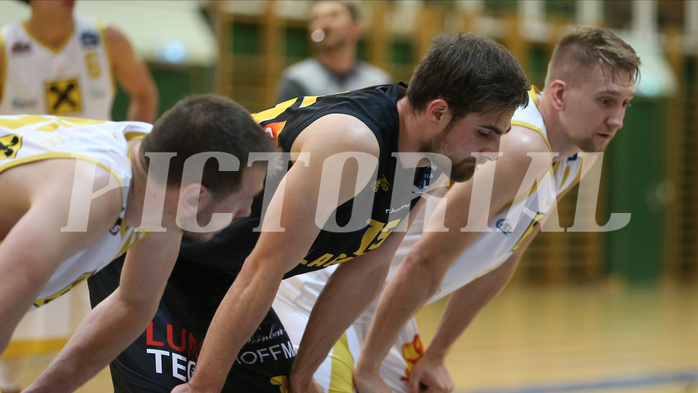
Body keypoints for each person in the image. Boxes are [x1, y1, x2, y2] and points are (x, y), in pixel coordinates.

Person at [74, 32, 529, 393]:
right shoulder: (351, 142)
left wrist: (300, 372)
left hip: (222, 279)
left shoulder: (431, 158)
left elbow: (364, 272)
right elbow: (263, 268)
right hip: (160, 256)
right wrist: (202, 386)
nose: (493, 151)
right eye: (487, 132)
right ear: (438, 111)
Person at [335, 26, 638, 393]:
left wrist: (437, 353)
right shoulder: (522, 147)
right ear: (559, 93)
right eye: (606, 101)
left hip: (389, 306)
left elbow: (507, 255)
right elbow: (422, 260)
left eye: (625, 103)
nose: (617, 119)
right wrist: (369, 368)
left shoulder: (578, 152)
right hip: (347, 293)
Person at [1, 93, 273, 392]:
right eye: (244, 199)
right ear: (195, 198)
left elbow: (133, 304)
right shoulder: (92, 193)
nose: (246, 212)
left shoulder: (159, 173)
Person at [0, 1, 158, 390]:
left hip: (97, 186)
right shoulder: (7, 45)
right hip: (33, 179)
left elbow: (143, 93)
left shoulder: (106, 38)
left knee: (86, 318)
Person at [0, 0, 158, 121]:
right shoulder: (4, 47)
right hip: (27, 161)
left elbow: (145, 94)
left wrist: (134, 146)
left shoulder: (109, 39)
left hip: (94, 160)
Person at [276, 0, 390, 103]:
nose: (323, 25)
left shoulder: (378, 81)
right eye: (316, 18)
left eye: (334, 16)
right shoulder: (297, 80)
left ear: (356, 28)